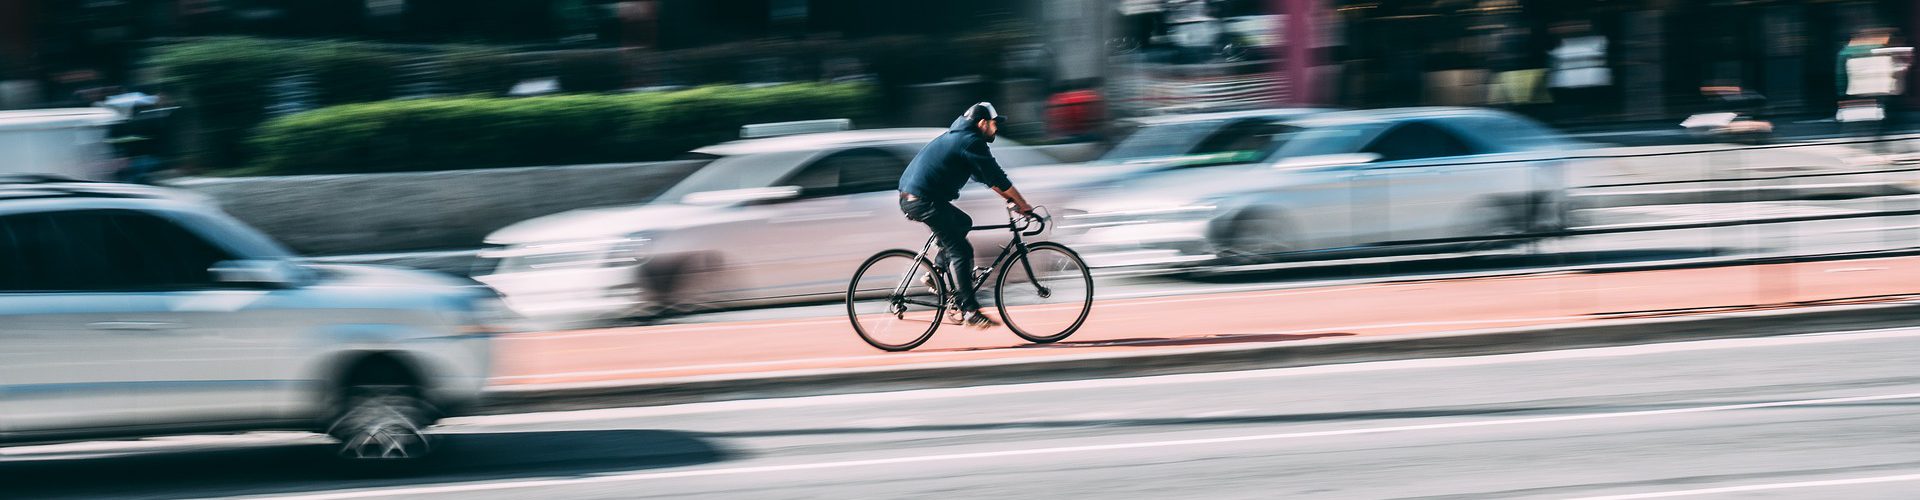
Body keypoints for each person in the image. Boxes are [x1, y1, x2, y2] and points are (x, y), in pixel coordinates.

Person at [898, 102, 1037, 328]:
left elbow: (988, 178)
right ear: (982, 123)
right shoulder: (971, 141)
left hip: (919, 198)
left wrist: (1012, 200)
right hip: (923, 201)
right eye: (994, 124)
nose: (996, 129)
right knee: (962, 250)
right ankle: (971, 310)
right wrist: (1023, 204)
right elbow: (998, 177)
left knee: (964, 222)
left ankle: (937, 270)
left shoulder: (960, 138)